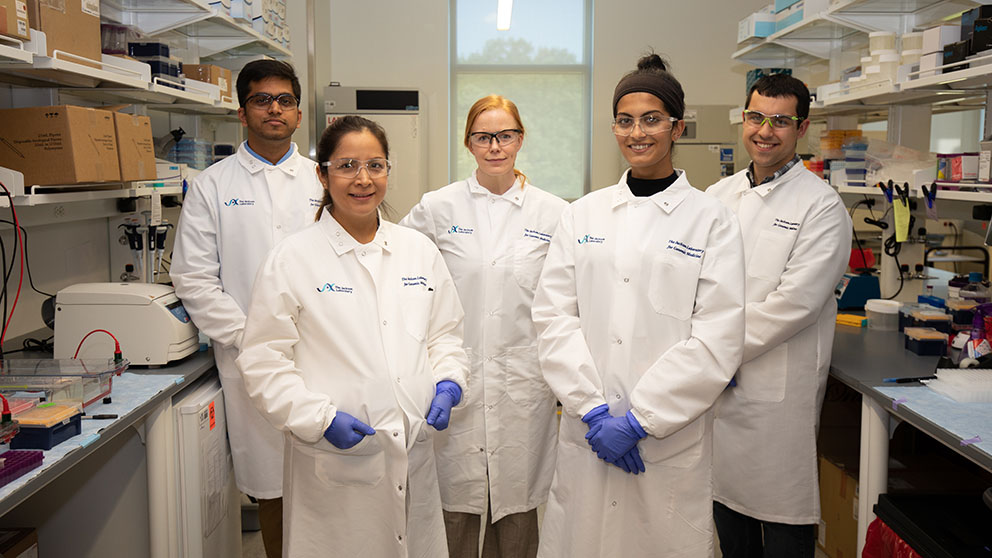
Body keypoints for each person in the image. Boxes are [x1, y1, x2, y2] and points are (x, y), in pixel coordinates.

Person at [531, 54, 746, 557]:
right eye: (625, 121)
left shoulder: (711, 221)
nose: (637, 133)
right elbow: (553, 317)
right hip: (589, 429)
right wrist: (593, 412)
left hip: (666, 436)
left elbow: (717, 338)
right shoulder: (582, 214)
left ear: (678, 127)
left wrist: (637, 421)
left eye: (652, 120)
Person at [236, 115, 470, 558]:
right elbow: (263, 361)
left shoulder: (418, 250)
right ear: (322, 174)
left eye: (375, 165)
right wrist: (318, 419)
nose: (363, 179)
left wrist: (449, 382)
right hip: (335, 460)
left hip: (413, 452)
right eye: (346, 166)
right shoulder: (293, 259)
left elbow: (446, 335)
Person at [400, 95, 566, 558]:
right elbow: (397, 267)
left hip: (524, 385)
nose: (495, 146)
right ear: (469, 143)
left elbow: (568, 300)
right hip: (455, 380)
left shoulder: (553, 213)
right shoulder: (438, 208)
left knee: (517, 514)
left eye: (505, 135)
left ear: (520, 139)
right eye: (483, 136)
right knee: (454, 510)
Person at [171, 59, 321, 558]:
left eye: (284, 100)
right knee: (273, 484)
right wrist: (251, 336)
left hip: (328, 348)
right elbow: (193, 277)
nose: (274, 109)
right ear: (242, 111)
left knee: (337, 477)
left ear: (299, 113)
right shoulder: (212, 185)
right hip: (249, 358)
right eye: (262, 100)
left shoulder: (326, 179)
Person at [707, 74, 852, 558]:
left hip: (774, 394)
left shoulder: (821, 205)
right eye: (756, 117)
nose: (765, 131)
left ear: (801, 127)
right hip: (717, 390)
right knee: (727, 521)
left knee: (783, 521)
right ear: (743, 119)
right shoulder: (717, 197)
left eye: (781, 121)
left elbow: (795, 305)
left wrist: (715, 350)